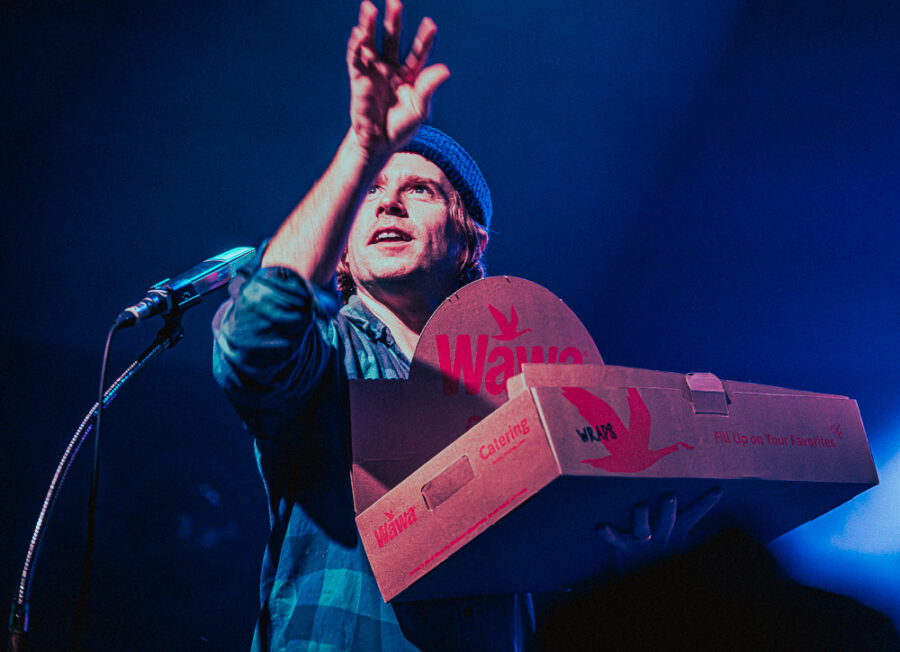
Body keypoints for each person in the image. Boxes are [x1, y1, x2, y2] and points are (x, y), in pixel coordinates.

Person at [212, 1, 718, 649]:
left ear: (467, 243)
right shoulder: (329, 358)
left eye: (419, 190)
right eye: (373, 190)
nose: (389, 202)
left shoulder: (523, 392)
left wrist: (628, 560)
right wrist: (362, 148)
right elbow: (255, 339)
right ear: (341, 249)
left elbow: (557, 567)